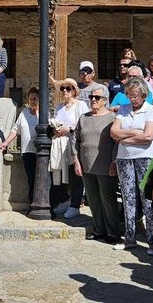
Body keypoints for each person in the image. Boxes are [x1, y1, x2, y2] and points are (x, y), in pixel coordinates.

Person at [110, 77, 153, 253]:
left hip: (145, 156)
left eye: (136, 96)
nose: (132, 99)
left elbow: (148, 136)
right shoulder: (123, 110)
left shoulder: (151, 110)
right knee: (128, 197)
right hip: (124, 157)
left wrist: (124, 138)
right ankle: (129, 237)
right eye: (130, 95)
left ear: (144, 95)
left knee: (146, 198)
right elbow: (113, 132)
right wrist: (134, 133)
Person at [74, 85, 120, 243]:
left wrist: (114, 161)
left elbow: (117, 143)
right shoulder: (84, 118)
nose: (93, 100)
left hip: (105, 165)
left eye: (97, 98)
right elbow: (76, 141)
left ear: (105, 101)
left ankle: (113, 232)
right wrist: (76, 161)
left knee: (107, 199)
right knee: (93, 199)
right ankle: (99, 229)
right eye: (91, 97)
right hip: (86, 164)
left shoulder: (112, 118)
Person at [0, 87, 40, 206]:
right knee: (31, 178)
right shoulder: (24, 113)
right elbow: (15, 130)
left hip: (41, 152)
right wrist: (5, 142)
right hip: (27, 151)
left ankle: (42, 202)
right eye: (31, 98)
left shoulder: (44, 114)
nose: (33, 101)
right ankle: (32, 202)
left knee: (41, 179)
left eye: (35, 98)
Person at [54, 77, 88, 219]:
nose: (65, 91)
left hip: (73, 144)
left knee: (75, 175)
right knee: (60, 173)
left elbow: (83, 124)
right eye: (63, 88)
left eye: (68, 88)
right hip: (60, 144)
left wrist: (70, 129)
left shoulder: (80, 105)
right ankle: (64, 200)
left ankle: (75, 204)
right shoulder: (59, 107)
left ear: (74, 91)